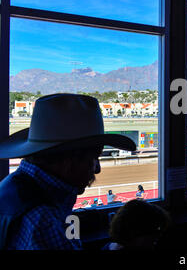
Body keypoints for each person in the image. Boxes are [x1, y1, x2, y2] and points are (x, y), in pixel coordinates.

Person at [0, 93, 136, 249]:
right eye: (93, 159)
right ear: (68, 160)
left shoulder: (13, 186)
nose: (97, 169)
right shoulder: (43, 219)